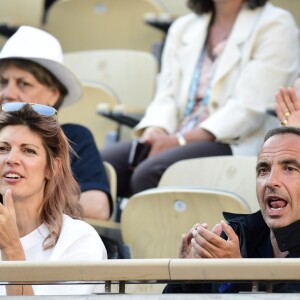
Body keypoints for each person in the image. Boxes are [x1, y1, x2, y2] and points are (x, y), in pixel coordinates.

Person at [102, 0, 300, 199]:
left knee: (150, 173)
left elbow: (248, 108)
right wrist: (156, 131)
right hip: (175, 133)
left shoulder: (276, 24)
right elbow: (165, 95)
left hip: (230, 139)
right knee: (102, 165)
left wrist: (180, 141)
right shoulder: (183, 27)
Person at [164, 125, 300, 294]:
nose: (271, 181)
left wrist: (238, 274)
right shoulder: (235, 238)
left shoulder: (231, 253)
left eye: (289, 169)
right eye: (263, 170)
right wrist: (187, 279)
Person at [0, 26, 112, 220]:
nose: (7, 93)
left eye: (23, 83)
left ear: (54, 94)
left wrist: (26, 202)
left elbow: (96, 208)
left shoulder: (73, 138)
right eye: (2, 82)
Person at [0, 102, 107, 296]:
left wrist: (12, 249)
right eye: (3, 148)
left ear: (52, 168)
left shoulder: (78, 239)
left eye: (28, 150)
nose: (11, 159)